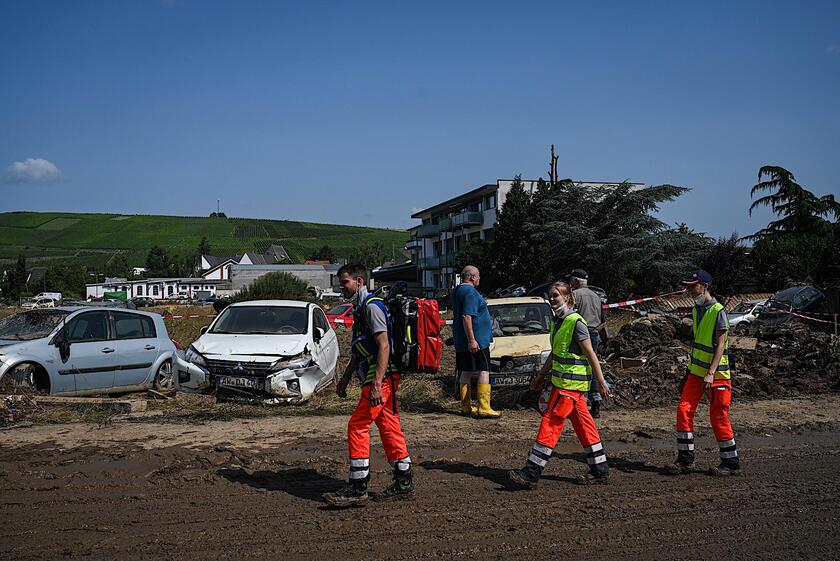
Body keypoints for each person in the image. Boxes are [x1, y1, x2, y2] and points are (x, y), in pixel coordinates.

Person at [323, 263, 414, 507]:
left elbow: (384, 346)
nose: (341, 287)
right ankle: (404, 480)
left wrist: (376, 383)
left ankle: (357, 486)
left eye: (345, 282)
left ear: (359, 282)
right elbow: (360, 350)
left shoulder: (372, 307)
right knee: (389, 427)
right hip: (381, 377)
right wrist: (345, 378)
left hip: (380, 377)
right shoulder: (362, 307)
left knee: (357, 425)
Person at [509, 282, 611, 488]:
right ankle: (600, 471)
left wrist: (601, 382)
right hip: (567, 387)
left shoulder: (575, 322)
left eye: (556, 295)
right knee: (585, 427)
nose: (552, 299)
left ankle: (531, 474)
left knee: (551, 424)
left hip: (570, 387)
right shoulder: (558, 322)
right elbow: (556, 353)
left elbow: (591, 353)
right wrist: (541, 375)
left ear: (567, 298)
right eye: (550, 296)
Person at [666, 269, 740, 476]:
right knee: (683, 410)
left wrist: (711, 372)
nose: (688, 290)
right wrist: (689, 372)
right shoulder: (697, 310)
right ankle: (685, 460)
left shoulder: (718, 311)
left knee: (718, 416)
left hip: (716, 375)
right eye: (688, 286)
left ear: (704, 286)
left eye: (692, 286)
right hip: (696, 372)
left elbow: (721, 344)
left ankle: (730, 462)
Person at [452, 265, 498, 418]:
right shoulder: (470, 292)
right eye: (478, 276)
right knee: (484, 369)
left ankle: (466, 406)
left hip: (462, 341)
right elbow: (467, 316)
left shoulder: (458, 290)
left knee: (466, 370)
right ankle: (484, 407)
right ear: (472, 277)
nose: (479, 279)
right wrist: (472, 340)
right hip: (477, 341)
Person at [569, 268, 607, 418]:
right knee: (593, 366)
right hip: (594, 333)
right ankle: (596, 401)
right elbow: (603, 320)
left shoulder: (574, 295)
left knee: (579, 367)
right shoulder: (596, 297)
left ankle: (581, 401)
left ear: (576, 281)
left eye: (571, 280)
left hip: (579, 335)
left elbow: (569, 316)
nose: (570, 282)